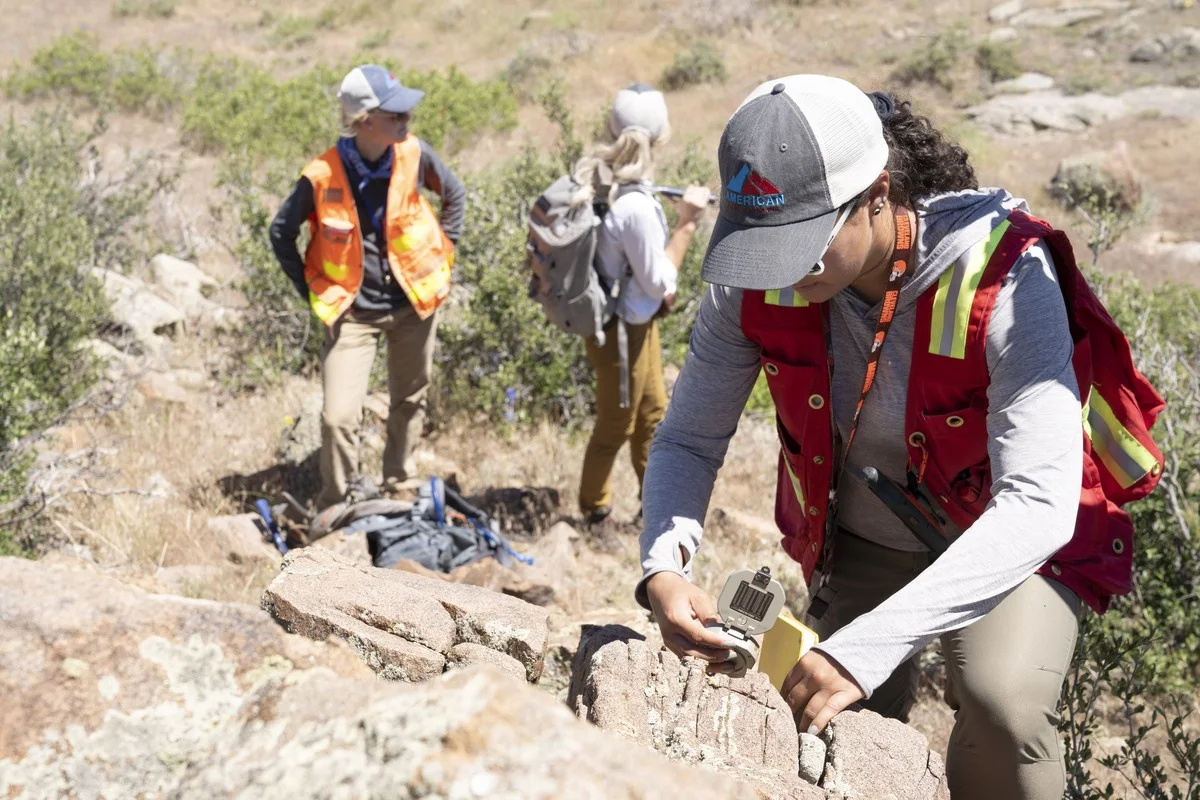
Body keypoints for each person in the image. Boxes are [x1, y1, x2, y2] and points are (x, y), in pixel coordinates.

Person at [637, 75, 1161, 799]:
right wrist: (662, 567)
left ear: (877, 194)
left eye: (805, 244)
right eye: (766, 246)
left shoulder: (1008, 278)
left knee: (1001, 702)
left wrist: (866, 649)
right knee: (827, 715)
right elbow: (689, 439)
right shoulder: (757, 270)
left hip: (1006, 532)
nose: (782, 271)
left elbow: (1038, 502)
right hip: (866, 532)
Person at [270, 64, 465, 509]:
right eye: (396, 114)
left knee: (409, 399)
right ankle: (338, 504)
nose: (406, 121)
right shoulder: (321, 174)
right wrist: (314, 290)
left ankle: (398, 482)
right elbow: (281, 233)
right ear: (364, 121)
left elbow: (455, 195)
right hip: (353, 314)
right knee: (338, 417)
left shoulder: (413, 153)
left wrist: (444, 250)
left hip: (414, 304)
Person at [570, 82, 711, 526]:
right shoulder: (636, 207)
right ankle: (595, 510)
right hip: (622, 330)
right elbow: (657, 283)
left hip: (624, 324)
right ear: (661, 137)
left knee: (652, 413)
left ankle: (657, 509)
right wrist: (687, 224)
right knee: (617, 423)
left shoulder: (602, 180)